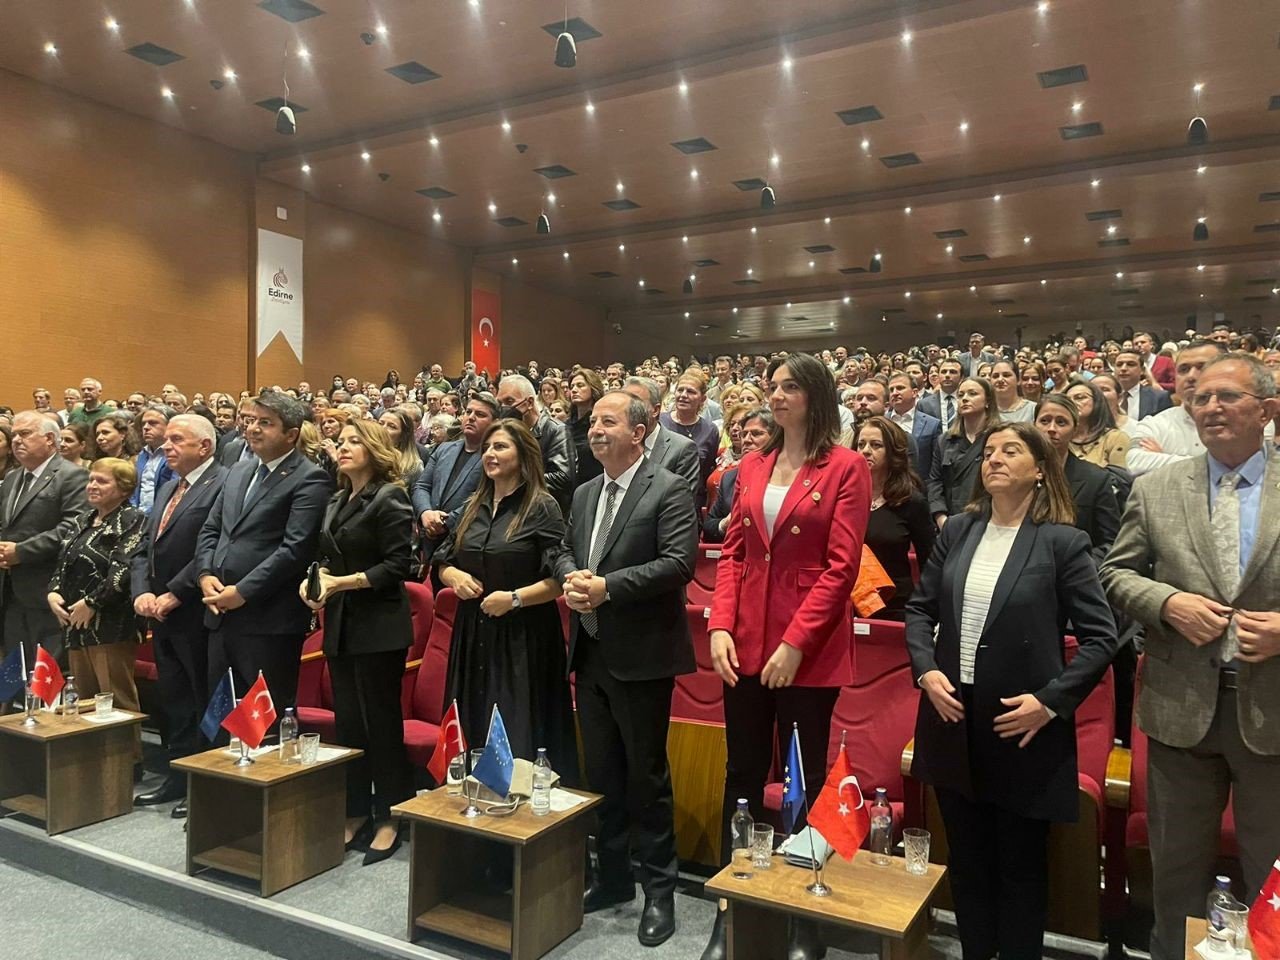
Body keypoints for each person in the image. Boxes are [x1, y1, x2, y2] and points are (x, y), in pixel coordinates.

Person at [906, 421, 1118, 960]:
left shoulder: (1064, 542)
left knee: (1021, 871)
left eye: (1011, 451)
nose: (993, 459)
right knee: (969, 865)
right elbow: (919, 609)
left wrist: (1049, 702)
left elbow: (1100, 639)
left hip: (1022, 724)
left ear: (1041, 470)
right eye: (989, 451)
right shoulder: (958, 530)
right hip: (952, 716)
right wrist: (926, 670)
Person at [1102, 353, 1280, 960]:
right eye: (1200, 398)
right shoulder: (1156, 488)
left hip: (1272, 713)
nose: (1209, 407)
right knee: (1174, 881)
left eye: (1226, 397)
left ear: (1268, 410)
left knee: (1273, 888)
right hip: (1180, 711)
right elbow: (1116, 574)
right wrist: (1168, 602)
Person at [704, 353, 871, 960]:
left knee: (802, 780)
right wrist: (720, 625)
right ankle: (733, 903)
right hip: (744, 640)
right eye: (772, 386)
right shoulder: (750, 464)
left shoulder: (847, 467)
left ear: (816, 396)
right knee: (742, 775)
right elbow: (734, 553)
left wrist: (795, 642)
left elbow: (841, 567)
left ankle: (805, 909)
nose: (776, 396)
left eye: (789, 387)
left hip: (809, 647)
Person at [553, 391, 697, 948]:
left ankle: (659, 892)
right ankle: (613, 879)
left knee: (646, 778)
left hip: (641, 658)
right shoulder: (587, 491)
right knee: (603, 776)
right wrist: (572, 577)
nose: (595, 430)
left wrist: (606, 587)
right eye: (592, 422)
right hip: (589, 654)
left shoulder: (668, 487)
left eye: (607, 421)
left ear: (639, 432)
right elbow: (565, 550)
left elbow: (678, 564)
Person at [434, 420, 576, 779]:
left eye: (500, 447)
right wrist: (454, 577)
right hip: (472, 634)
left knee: (516, 732)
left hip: (522, 638)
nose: (490, 454)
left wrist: (513, 599)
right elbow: (442, 561)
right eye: (487, 448)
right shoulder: (471, 505)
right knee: (473, 721)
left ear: (524, 455)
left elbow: (558, 578)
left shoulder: (541, 506)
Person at [300, 419, 414, 865]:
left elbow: (398, 566)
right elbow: (323, 559)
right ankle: (355, 809)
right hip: (342, 623)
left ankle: (390, 814)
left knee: (381, 723)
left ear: (375, 449)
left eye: (353, 442)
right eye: (341, 442)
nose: (343, 449)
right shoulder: (335, 499)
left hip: (380, 625)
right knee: (348, 721)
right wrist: (312, 584)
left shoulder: (391, 497)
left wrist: (341, 582)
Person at [195, 391, 331, 723]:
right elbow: (211, 530)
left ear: (291, 435)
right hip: (220, 611)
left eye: (266, 423)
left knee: (261, 719)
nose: (253, 428)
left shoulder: (309, 478)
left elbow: (294, 549)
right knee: (220, 712)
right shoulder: (238, 471)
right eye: (251, 420)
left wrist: (241, 592)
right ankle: (218, 775)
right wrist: (205, 575)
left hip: (268, 620)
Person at [130, 414, 227, 815]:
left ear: (204, 446)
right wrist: (142, 592)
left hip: (195, 612)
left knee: (203, 698)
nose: (166, 447)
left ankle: (204, 781)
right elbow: (143, 548)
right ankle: (178, 774)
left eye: (176, 440)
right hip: (160, 612)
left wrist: (173, 593)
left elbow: (213, 548)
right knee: (175, 701)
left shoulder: (223, 482)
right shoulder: (170, 485)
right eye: (165, 439)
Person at [47, 458, 148, 757]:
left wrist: (92, 602)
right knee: (84, 697)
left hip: (111, 623)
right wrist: (53, 593)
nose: (92, 485)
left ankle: (128, 763)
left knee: (115, 697)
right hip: (74, 623)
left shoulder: (134, 520)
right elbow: (62, 562)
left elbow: (125, 569)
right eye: (91, 479)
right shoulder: (82, 520)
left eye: (102, 481)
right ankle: (91, 763)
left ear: (124, 488)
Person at [0, 412, 91, 666]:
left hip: (47, 589)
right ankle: (16, 706)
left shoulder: (72, 475)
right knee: (14, 672)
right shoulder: (11, 478)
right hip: (10, 592)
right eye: (14, 434)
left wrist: (22, 551)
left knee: (46, 673)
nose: (16, 440)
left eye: (25, 434)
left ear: (51, 439)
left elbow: (73, 528)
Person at [855, 416, 935, 621]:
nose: (865, 450)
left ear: (892, 453)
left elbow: (929, 561)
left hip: (895, 606)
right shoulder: (844, 497)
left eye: (876, 445)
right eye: (861, 444)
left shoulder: (911, 501)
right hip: (847, 603)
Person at [412, 394, 498, 562]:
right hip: (430, 536)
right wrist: (426, 513)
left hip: (465, 540)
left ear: (494, 424)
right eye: (468, 412)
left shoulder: (493, 457)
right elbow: (421, 486)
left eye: (480, 414)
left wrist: (446, 523)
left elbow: (485, 496)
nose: (471, 417)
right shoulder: (444, 449)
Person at [1032, 395, 1121, 559]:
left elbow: (1111, 543)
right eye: (1044, 421)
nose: (1051, 428)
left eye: (1061, 422)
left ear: (1074, 430)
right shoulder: (1017, 473)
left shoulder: (1095, 479)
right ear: (1034, 425)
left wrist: (1079, 565)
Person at [1127, 341, 1227, 475]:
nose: (1191, 376)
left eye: (1202, 367)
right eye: (1183, 370)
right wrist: (1216, 467)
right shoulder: (1155, 424)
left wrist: (1163, 458)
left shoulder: (1247, 420)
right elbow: (1135, 462)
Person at [495, 375, 573, 517]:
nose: (504, 408)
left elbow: (563, 478)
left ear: (530, 402)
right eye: (499, 403)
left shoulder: (555, 430)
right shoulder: (506, 432)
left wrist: (518, 478)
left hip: (543, 514)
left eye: (509, 401)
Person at [928, 377, 1001, 526]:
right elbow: (935, 482)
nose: (965, 399)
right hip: (951, 519)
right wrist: (941, 518)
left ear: (988, 401)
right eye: (961, 395)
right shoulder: (945, 440)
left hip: (990, 519)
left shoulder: (999, 437)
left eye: (972, 394)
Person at [621, 377, 701, 501]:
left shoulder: (682, 449)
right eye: (624, 403)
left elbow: (681, 503)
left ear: (655, 410)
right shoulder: (616, 443)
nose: (628, 410)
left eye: (636, 403)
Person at [703, 410, 774, 543]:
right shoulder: (729, 478)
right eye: (744, 434)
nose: (746, 440)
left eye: (756, 434)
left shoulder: (784, 477)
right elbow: (708, 527)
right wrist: (724, 524)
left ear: (776, 438)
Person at [659, 371, 720, 510]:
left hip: (691, 501)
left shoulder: (710, 430)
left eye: (691, 392)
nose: (683, 395)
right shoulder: (660, 422)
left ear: (703, 398)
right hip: (658, 496)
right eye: (680, 390)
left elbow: (706, 470)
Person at [887, 371, 942, 481]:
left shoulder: (933, 424)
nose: (895, 393)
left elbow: (935, 466)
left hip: (919, 488)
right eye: (891, 390)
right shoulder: (881, 422)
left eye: (900, 388)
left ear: (914, 392)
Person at [1065, 379, 1128, 469]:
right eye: (1066, 400)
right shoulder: (1060, 437)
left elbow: (1121, 479)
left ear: (1096, 402)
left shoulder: (1115, 438)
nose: (1072, 403)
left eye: (1080, 397)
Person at [131, 404, 176, 515]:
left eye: (153, 423)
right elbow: (135, 490)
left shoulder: (176, 454)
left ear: (170, 426)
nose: (145, 427)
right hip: (137, 516)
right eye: (143, 424)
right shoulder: (141, 455)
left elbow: (174, 493)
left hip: (161, 516)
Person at [566, 369, 606, 493]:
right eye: (572, 386)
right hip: (568, 489)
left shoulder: (601, 424)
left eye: (580, 385)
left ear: (593, 389)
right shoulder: (565, 425)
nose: (574, 390)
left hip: (593, 487)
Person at [1113, 349, 1172, 421]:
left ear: (1142, 370)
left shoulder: (1159, 397)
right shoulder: (1104, 397)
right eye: (1119, 365)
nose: (1123, 368)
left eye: (1131, 364)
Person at [377, 408, 424, 483]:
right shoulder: (364, 456)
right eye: (380, 423)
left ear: (403, 435)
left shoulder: (413, 467)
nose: (383, 428)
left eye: (392, 426)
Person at [918, 357, 963, 432]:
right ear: (938, 376)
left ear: (961, 377)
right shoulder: (924, 404)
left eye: (952, 372)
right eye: (944, 372)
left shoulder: (966, 401)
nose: (947, 375)